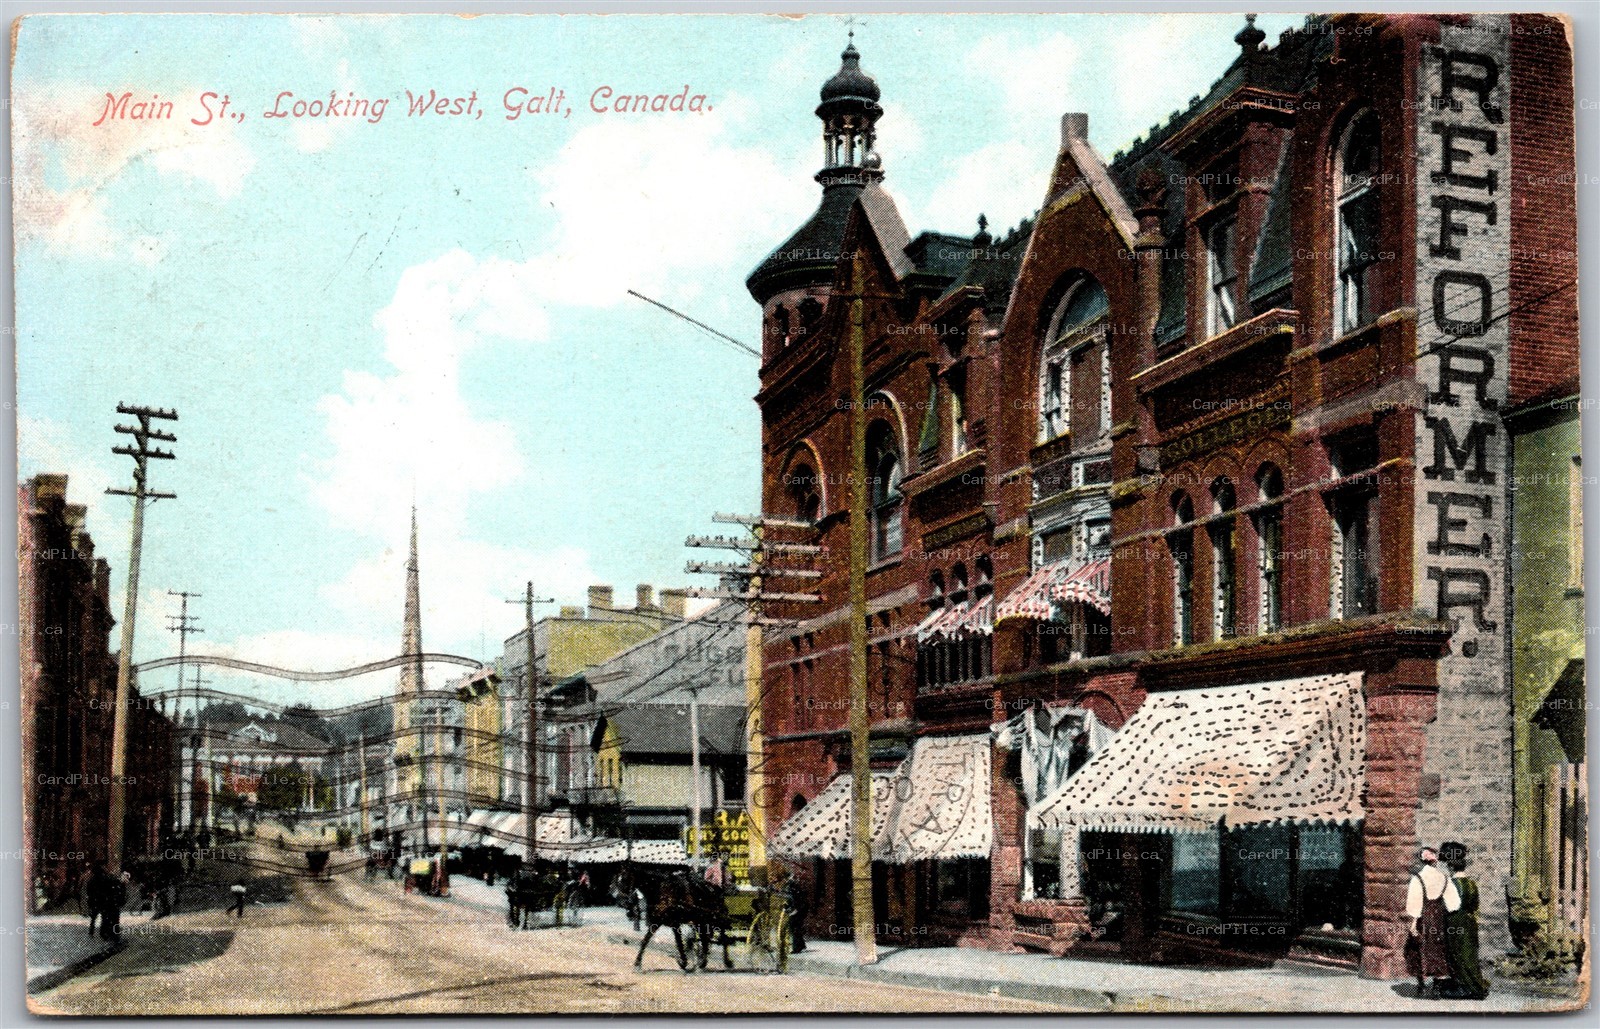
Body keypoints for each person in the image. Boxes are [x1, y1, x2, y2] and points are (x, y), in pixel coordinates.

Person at [1406, 846, 1461, 998]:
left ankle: (1422, 985)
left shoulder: (1417, 878)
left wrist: (1413, 922)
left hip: (1423, 917)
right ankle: (1437, 988)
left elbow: (1414, 902)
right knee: (1438, 949)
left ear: (1422, 861)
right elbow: (1454, 903)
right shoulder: (1444, 878)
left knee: (1419, 947)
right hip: (1438, 918)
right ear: (1434, 860)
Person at [1439, 841, 1491, 1000]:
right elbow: (1475, 905)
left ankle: (1468, 988)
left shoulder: (1451, 884)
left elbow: (1446, 907)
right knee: (1469, 955)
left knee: (1458, 955)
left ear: (1450, 866)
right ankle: (1471, 984)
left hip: (1455, 923)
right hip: (1469, 923)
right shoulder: (1471, 884)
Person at [778, 863, 808, 954]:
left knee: (794, 926)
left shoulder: (792, 885)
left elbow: (796, 898)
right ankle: (801, 945)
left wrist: (795, 909)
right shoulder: (789, 885)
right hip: (800, 907)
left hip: (800, 908)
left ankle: (797, 948)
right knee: (796, 926)